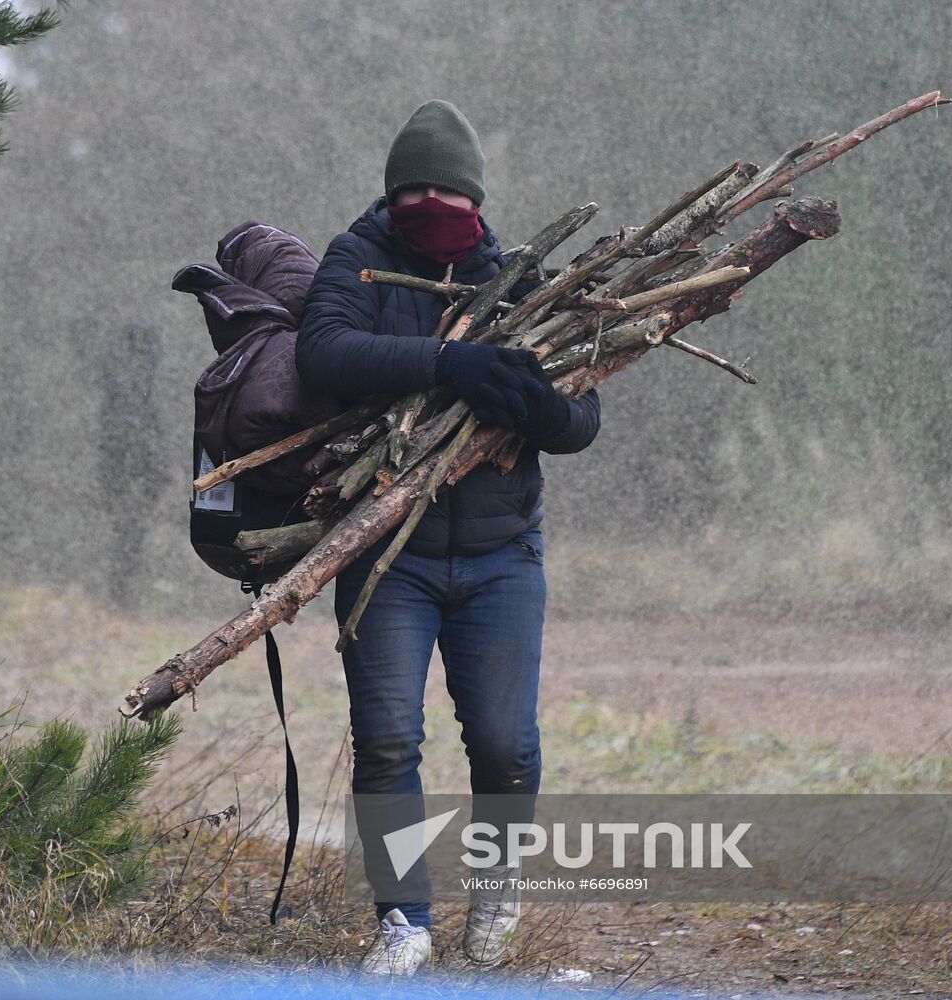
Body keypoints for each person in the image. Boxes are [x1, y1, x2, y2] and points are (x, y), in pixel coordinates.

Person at [295, 99, 601, 976]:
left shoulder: (517, 280)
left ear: (475, 199)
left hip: (504, 556)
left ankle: (497, 887)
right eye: (413, 192)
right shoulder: (357, 257)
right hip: (388, 555)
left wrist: (545, 410)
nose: (430, 205)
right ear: (391, 195)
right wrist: (445, 362)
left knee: (505, 744)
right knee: (388, 739)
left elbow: (583, 417)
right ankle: (403, 924)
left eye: (447, 193)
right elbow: (324, 351)